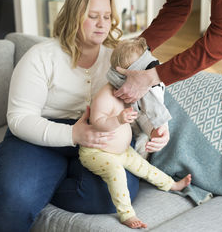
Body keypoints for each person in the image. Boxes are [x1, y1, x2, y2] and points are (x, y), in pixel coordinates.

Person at [0, 0, 169, 232]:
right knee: (16, 196)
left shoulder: (117, 61)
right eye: (93, 16)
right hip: (37, 137)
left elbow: (143, 98)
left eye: (107, 16)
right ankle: (17, 182)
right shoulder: (40, 57)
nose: (103, 24)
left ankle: (29, 182)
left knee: (110, 194)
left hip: (96, 144)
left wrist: (158, 128)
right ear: (73, 16)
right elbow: (19, 119)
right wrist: (74, 134)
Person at [79, 37, 192, 229]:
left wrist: (158, 129)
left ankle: (171, 184)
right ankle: (126, 214)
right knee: (117, 172)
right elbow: (97, 124)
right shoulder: (105, 95)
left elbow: (146, 114)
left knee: (144, 167)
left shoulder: (132, 94)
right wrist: (118, 120)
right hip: (97, 152)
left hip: (122, 151)